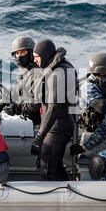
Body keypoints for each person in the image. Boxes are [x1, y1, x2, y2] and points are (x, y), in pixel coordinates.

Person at [30, 39, 78, 181]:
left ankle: (57, 201)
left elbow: (54, 107)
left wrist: (39, 137)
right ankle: (69, 194)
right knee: (55, 168)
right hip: (58, 125)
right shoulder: (59, 67)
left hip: (57, 128)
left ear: (45, 55)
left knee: (48, 170)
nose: (35, 60)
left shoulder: (58, 73)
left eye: (37, 57)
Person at [2, 36, 41, 126]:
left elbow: (36, 103)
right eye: (17, 53)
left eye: (23, 52)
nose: (19, 56)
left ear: (31, 53)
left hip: (37, 122)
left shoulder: (36, 72)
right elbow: (18, 90)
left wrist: (18, 108)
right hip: (27, 118)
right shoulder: (25, 71)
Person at [79, 52, 106, 132]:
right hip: (93, 126)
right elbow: (101, 107)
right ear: (102, 71)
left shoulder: (105, 80)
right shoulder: (87, 86)